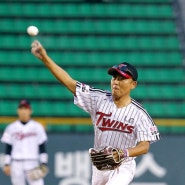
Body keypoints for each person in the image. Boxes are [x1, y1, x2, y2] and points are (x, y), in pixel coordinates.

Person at [31, 40, 160, 185]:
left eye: (122, 78)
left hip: (123, 165)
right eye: (114, 78)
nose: (115, 82)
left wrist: (123, 153)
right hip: (99, 166)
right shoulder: (98, 99)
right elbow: (68, 82)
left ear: (133, 84)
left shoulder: (139, 113)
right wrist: (45, 58)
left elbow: (144, 146)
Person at [1, 99, 48, 185]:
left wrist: (44, 163)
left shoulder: (38, 127)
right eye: (21, 108)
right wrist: (7, 163)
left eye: (26, 108)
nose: (23, 111)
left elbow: (42, 147)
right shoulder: (11, 128)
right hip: (16, 163)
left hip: (33, 162)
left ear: (30, 111)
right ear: (17, 111)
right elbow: (8, 148)